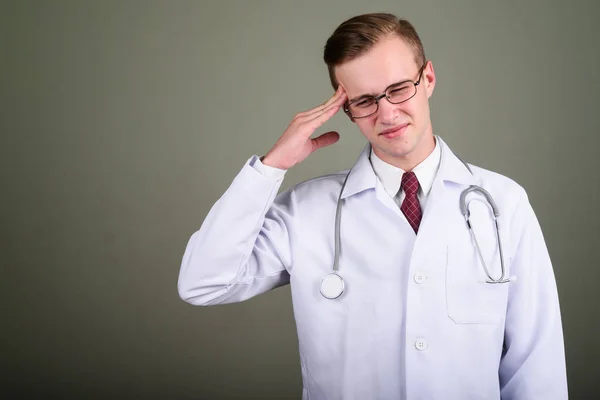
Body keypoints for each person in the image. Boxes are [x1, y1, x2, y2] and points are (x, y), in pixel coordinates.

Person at [178, 13, 567, 399]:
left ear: (427, 79)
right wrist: (270, 166)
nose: (387, 113)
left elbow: (536, 364)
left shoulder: (502, 203)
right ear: (346, 110)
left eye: (399, 89)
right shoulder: (306, 211)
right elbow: (203, 283)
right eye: (364, 100)